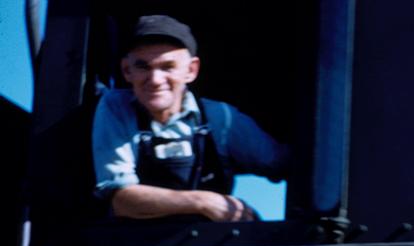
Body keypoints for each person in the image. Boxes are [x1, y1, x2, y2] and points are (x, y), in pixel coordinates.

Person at [93, 14, 288, 222]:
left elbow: (281, 163)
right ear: (126, 70)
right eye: (143, 67)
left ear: (191, 70)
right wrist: (203, 202)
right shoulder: (115, 108)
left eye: (167, 67)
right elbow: (121, 200)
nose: (155, 80)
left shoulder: (221, 118)